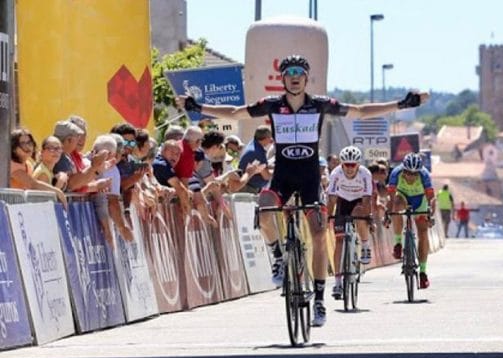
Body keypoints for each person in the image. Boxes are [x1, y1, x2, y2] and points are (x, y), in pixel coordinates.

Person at [176, 54, 428, 327]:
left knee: (320, 235)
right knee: (264, 210)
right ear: (283, 78)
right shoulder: (272, 105)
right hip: (283, 176)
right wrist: (198, 106)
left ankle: (319, 300)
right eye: (289, 72)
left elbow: (359, 110)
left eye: (299, 72)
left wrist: (402, 104)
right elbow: (236, 113)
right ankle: (277, 256)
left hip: (309, 178)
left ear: (306, 77)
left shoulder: (320, 105)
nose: (294, 76)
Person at [326, 146, 374, 300]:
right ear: (341, 164)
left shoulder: (365, 174)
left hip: (359, 201)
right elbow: (332, 198)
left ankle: (365, 245)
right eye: (346, 164)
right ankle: (338, 282)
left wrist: (367, 218)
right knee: (339, 241)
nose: (349, 168)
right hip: (342, 201)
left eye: (353, 165)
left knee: (360, 215)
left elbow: (367, 199)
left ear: (358, 165)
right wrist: (328, 217)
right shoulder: (336, 173)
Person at [385, 152, 435, 289]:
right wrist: (387, 213)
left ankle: (423, 272)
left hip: (420, 200)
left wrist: (431, 215)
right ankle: (398, 243)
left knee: (423, 232)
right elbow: (389, 197)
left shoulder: (424, 175)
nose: (411, 176)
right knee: (396, 205)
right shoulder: (396, 173)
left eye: (415, 174)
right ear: (404, 170)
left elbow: (431, 199)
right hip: (403, 196)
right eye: (408, 173)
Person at [10, 128, 67, 205]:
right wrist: (57, 191)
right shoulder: (11, 165)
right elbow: (33, 184)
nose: (28, 147)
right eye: (23, 143)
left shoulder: (29, 165)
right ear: (14, 148)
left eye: (29, 143)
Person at [238, 125, 273, 195]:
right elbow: (266, 176)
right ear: (266, 138)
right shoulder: (257, 152)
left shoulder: (253, 145)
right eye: (270, 138)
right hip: (249, 190)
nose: (271, 140)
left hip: (246, 187)